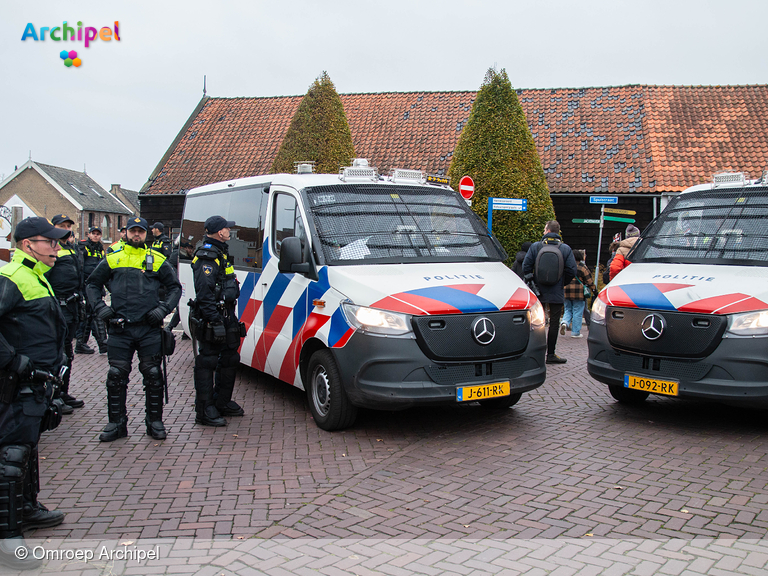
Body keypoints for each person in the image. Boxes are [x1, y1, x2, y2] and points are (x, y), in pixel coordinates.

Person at [0, 217, 68, 569]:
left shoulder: (36, 275)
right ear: (28, 245)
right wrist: (16, 362)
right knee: (10, 458)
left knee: (26, 450)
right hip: (17, 384)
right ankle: (8, 539)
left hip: (37, 383)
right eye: (50, 242)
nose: (56, 248)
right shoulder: (11, 278)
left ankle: (26, 509)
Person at [86, 217, 181, 442]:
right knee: (116, 376)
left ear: (147, 233)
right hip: (120, 328)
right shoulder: (113, 258)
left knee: (153, 375)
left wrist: (164, 309)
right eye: (133, 231)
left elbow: (175, 287)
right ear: (126, 233)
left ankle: (154, 422)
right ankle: (116, 423)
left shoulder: (157, 259)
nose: (136, 235)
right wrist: (101, 308)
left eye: (140, 231)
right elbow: (91, 284)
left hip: (149, 328)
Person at [191, 216, 245, 427]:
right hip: (213, 316)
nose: (229, 230)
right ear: (217, 232)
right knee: (208, 361)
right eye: (226, 228)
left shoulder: (221, 252)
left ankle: (222, 402)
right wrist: (214, 322)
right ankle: (204, 410)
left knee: (231, 357)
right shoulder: (207, 256)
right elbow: (205, 294)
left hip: (227, 315)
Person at [44, 214, 86, 412]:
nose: (66, 229)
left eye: (69, 226)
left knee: (68, 354)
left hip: (72, 306)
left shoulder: (70, 248)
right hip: (58, 307)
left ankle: (63, 392)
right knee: (57, 354)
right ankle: (53, 397)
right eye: (62, 226)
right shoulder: (49, 249)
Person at [522, 220, 577, 364]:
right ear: (557, 232)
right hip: (556, 292)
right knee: (554, 324)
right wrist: (561, 282)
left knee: (535, 322)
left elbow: (526, 266)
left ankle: (532, 353)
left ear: (547, 231)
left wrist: (534, 281)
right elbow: (572, 270)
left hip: (538, 291)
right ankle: (551, 354)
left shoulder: (536, 246)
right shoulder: (565, 249)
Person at [76, 226, 108, 354]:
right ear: (89, 234)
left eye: (98, 234)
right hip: (86, 285)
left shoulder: (100, 249)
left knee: (92, 314)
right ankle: (98, 343)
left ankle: (90, 343)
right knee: (91, 314)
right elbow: (81, 266)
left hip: (97, 285)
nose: (96, 236)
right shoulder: (84, 248)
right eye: (93, 234)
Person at [561, 249, 597, 339]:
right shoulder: (582, 267)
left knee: (567, 309)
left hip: (566, 291)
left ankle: (564, 322)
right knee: (577, 311)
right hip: (579, 293)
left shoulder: (565, 266)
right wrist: (593, 289)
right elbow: (589, 280)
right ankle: (575, 332)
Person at [165, 239, 194, 334]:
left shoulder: (187, 256)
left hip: (184, 282)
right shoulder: (178, 256)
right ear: (184, 248)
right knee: (180, 307)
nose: (191, 250)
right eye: (189, 248)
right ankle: (169, 327)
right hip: (179, 283)